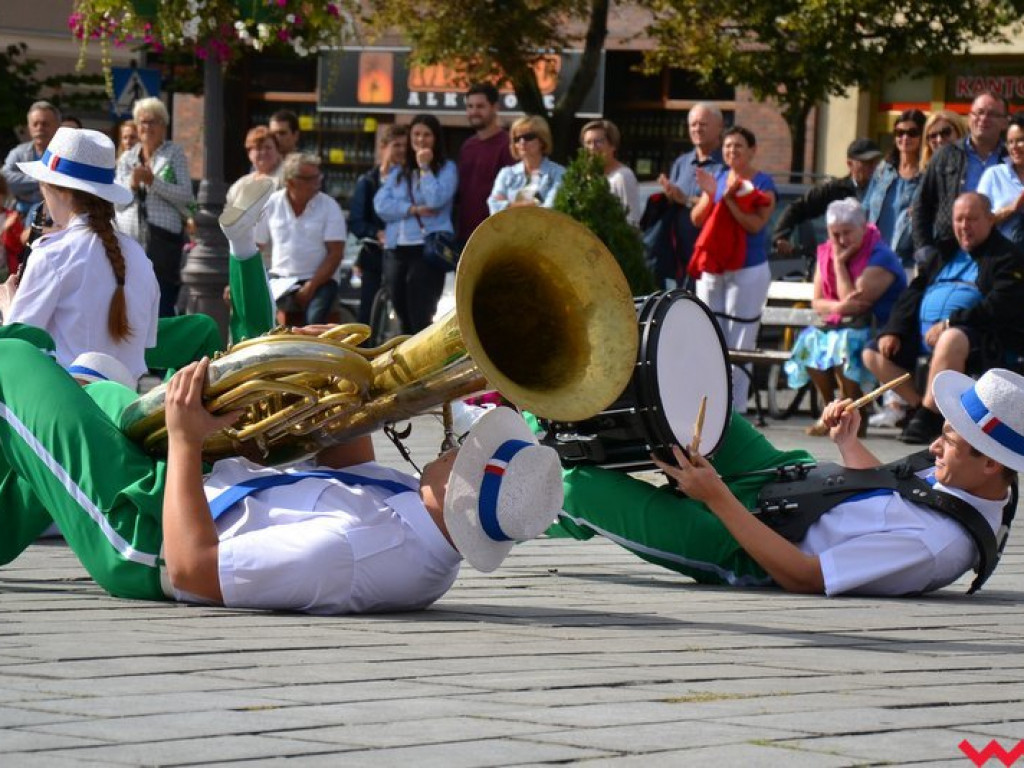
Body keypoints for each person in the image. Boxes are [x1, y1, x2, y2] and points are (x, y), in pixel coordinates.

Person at [0, 319, 562, 612]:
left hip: (140, 531)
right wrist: (335, 372)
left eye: (465, 455)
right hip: (180, 482)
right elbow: (340, 452)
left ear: (462, 490)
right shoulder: (418, 514)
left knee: (14, 361)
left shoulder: (347, 554)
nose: (453, 448)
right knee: (86, 385)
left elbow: (192, 570)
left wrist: (185, 439)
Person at [550, 365, 1021, 597]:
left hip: (748, 543)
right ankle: (545, 405)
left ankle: (513, 495)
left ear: (991, 465)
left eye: (951, 441)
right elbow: (888, 494)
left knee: (581, 489)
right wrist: (849, 445)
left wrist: (715, 497)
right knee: (683, 396)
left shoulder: (933, 548)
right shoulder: (962, 477)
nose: (935, 447)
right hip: (786, 475)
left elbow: (805, 576)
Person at [863, 192, 1024, 445]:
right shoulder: (944, 252)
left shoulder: (1006, 256)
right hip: (924, 335)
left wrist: (952, 322)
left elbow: (1001, 304)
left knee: (951, 338)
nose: (964, 226)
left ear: (990, 219)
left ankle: (929, 415)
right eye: (959, 219)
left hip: (979, 337)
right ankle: (921, 408)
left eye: (972, 219)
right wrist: (893, 330)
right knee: (873, 353)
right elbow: (913, 291)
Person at [1, 127, 159, 385]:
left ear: (60, 190)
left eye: (43, 184)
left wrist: (8, 303)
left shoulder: (53, 254)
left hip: (66, 409)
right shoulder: (140, 257)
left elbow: (16, 349)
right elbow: (145, 343)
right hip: (126, 407)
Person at [784, 199, 906, 434]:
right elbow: (818, 302)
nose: (840, 241)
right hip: (842, 325)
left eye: (847, 233)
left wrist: (839, 264)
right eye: (834, 234)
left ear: (863, 227)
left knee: (844, 343)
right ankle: (829, 409)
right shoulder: (825, 253)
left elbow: (855, 302)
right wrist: (840, 308)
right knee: (809, 341)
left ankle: (852, 412)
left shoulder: (881, 256)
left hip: (880, 328)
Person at [690, 125, 777, 413]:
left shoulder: (764, 184)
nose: (732, 151)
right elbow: (697, 218)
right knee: (712, 335)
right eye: (728, 146)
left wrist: (729, 200)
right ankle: (710, 403)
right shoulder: (718, 177)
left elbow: (755, 224)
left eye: (739, 146)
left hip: (748, 269)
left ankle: (736, 407)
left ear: (752, 150)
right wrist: (712, 195)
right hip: (715, 268)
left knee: (741, 340)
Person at [374, 114, 458, 334]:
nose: (421, 139)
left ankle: (424, 362)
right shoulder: (399, 171)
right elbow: (381, 205)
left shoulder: (447, 168)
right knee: (400, 306)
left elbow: (436, 199)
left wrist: (425, 168)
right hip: (396, 248)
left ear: (436, 138)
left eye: (427, 134)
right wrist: (412, 209)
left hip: (426, 248)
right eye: (416, 134)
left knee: (421, 311)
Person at [114, 97, 195, 318]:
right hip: (130, 241)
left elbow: (186, 195)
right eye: (142, 122)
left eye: (153, 121)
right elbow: (116, 200)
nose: (146, 127)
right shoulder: (128, 157)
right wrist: (131, 184)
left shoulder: (173, 153)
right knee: (130, 302)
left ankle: (162, 347)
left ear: (163, 125)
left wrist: (153, 182)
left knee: (161, 300)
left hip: (163, 241)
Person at [253, 153, 346, 326]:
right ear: (291, 182)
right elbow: (256, 246)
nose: (317, 182)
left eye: (318, 176)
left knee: (315, 321)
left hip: (320, 280)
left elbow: (336, 254)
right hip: (281, 278)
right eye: (310, 178)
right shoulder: (272, 203)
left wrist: (311, 286)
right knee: (263, 319)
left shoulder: (329, 206)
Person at [913, 92, 1009, 255]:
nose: (983, 118)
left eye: (992, 114)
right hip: (950, 251)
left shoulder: (1011, 159)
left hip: (1000, 253)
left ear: (1005, 123)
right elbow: (922, 205)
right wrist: (924, 249)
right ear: (969, 118)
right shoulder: (945, 155)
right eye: (978, 112)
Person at [772, 138, 882, 256]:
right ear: (850, 164)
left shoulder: (883, 190)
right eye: (866, 162)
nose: (872, 167)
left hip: (874, 256)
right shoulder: (835, 190)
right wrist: (781, 236)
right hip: (844, 257)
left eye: (875, 162)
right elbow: (798, 208)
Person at [654, 103, 725, 283]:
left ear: (719, 127)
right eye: (693, 124)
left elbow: (721, 206)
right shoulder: (681, 163)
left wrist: (685, 199)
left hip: (712, 259)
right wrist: (670, 195)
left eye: (703, 124)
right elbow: (677, 202)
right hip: (680, 260)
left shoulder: (726, 165)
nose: (697, 129)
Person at [349, 124, 407, 325]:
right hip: (375, 255)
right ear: (383, 147)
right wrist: (377, 233)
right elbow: (356, 222)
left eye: (405, 146)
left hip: (405, 254)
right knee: (367, 315)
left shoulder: (412, 179)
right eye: (396, 145)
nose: (401, 150)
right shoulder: (368, 181)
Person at [863, 109, 925, 266]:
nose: (905, 137)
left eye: (912, 132)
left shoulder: (927, 175)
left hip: (908, 261)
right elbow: (865, 208)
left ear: (922, 136)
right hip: (873, 256)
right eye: (900, 132)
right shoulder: (883, 170)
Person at [456, 83, 514, 248]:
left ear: (495, 107)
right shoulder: (467, 146)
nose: (474, 112)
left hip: (495, 236)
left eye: (480, 106)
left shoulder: (509, 145)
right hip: (465, 237)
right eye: (470, 106)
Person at [487, 116, 564, 214]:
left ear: (542, 140)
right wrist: (533, 204)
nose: (522, 142)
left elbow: (549, 210)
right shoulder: (506, 174)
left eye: (528, 137)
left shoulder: (559, 173)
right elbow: (494, 208)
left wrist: (508, 205)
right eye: (517, 139)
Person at [2, 101, 61, 218]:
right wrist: (42, 179)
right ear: (29, 127)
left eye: (45, 124)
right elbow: (4, 179)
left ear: (57, 126)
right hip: (19, 216)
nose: (40, 128)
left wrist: (23, 185)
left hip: (54, 217)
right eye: (35, 124)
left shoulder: (64, 155)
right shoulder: (18, 153)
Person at [580, 119, 641, 226]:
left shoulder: (622, 177)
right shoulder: (585, 176)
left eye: (598, 142)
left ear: (613, 145)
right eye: (588, 143)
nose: (592, 147)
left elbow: (631, 221)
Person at [977, 112, 1024, 249]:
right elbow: (978, 222)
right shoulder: (994, 175)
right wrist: (1012, 208)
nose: (1014, 147)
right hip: (1002, 260)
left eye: (1020, 140)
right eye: (1010, 142)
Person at [226, 126, 283, 207]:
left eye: (268, 148)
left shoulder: (288, 179)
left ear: (277, 151)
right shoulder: (240, 185)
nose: (263, 152)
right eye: (258, 148)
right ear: (249, 153)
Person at [0, 175, 25, 277]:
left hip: (8, 272)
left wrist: (11, 231)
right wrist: (3, 229)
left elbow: (18, 247)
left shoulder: (10, 216)